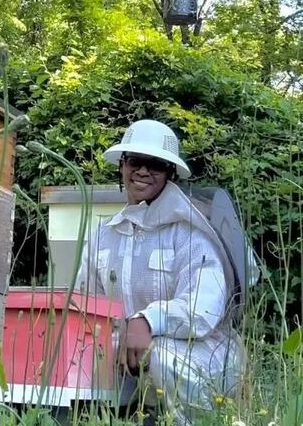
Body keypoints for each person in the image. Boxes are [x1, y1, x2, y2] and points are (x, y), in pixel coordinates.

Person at [74, 120, 245, 425]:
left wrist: (148, 320)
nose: (142, 171)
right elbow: (85, 304)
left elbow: (203, 308)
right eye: (135, 161)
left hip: (203, 356)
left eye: (155, 164)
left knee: (163, 353)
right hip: (126, 355)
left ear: (171, 173)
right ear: (122, 165)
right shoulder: (103, 235)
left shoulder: (191, 232)